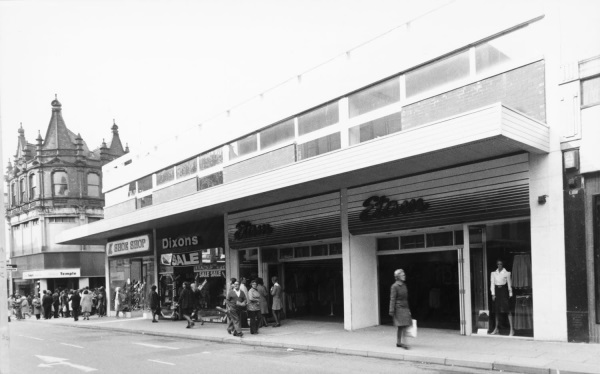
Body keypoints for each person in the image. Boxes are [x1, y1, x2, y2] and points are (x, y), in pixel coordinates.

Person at [490, 259, 514, 336]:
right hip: (497, 291)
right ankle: (496, 329)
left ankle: (512, 330)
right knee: (496, 311)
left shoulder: (507, 273)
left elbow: (509, 284)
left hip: (504, 291)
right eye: (498, 264)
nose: (499, 265)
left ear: (502, 265)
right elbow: (492, 283)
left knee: (507, 310)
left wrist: (510, 293)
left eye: (500, 264)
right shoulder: (493, 273)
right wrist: (493, 294)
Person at [389, 269, 412, 349]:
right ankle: (404, 343)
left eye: (404, 274)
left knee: (403, 325)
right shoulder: (394, 286)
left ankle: (399, 342)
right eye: (403, 275)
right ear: (398, 277)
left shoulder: (404, 285)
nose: (404, 276)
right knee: (403, 325)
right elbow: (392, 299)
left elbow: (406, 299)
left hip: (405, 307)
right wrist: (391, 310)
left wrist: (408, 309)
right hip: (398, 308)